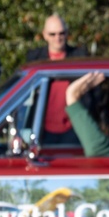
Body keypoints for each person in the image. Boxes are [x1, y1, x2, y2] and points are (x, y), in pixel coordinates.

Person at [26, 14, 89, 144]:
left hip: (74, 127)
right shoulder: (35, 59)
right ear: (44, 35)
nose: (58, 38)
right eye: (52, 34)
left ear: (67, 33)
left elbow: (93, 93)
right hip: (42, 128)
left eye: (61, 33)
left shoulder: (80, 57)